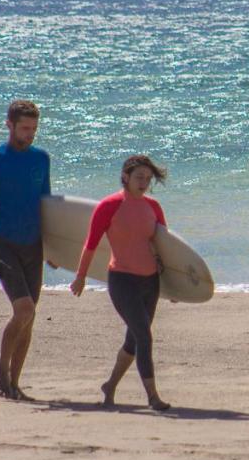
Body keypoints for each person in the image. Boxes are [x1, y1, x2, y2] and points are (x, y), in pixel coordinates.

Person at [70, 155, 172, 411]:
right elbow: (90, 244)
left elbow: (165, 248)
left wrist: (176, 285)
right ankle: (152, 396)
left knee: (134, 341)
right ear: (125, 176)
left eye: (148, 179)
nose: (144, 183)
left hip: (151, 281)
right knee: (144, 336)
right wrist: (80, 276)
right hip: (122, 280)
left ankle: (110, 385)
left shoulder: (154, 207)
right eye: (139, 177)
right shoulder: (109, 206)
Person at [0, 99, 51, 400]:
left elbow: (47, 205)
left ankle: (14, 385)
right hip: (4, 243)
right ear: (9, 125)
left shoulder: (41, 159)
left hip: (34, 245)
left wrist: (55, 248)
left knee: (29, 317)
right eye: (25, 128)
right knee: (24, 309)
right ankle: (2, 371)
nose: (30, 134)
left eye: (34, 129)